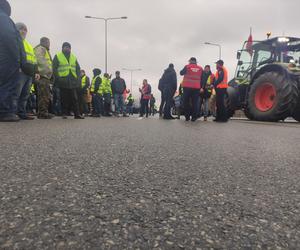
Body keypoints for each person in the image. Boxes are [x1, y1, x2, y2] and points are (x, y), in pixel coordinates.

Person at [0, 0, 26, 122]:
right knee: (8, 84)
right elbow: (9, 37)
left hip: (4, 56)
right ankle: (5, 112)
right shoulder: (3, 17)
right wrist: (17, 58)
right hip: (7, 58)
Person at [15, 22, 40, 120]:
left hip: (29, 74)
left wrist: (36, 72)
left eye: (25, 30)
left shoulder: (29, 45)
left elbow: (34, 60)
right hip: (19, 72)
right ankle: (12, 112)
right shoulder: (15, 41)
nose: (24, 31)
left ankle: (21, 112)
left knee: (25, 94)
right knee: (16, 93)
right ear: (16, 29)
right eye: (21, 29)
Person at [52, 42, 84, 119]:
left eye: (68, 47)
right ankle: (64, 113)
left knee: (74, 98)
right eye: (65, 47)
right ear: (62, 48)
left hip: (72, 80)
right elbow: (54, 68)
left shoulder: (73, 57)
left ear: (70, 48)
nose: (67, 48)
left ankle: (77, 114)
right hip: (63, 80)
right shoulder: (58, 56)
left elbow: (77, 68)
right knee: (64, 98)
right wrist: (58, 78)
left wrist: (77, 78)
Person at [34, 37, 54, 119]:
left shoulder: (44, 50)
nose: (49, 44)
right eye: (48, 42)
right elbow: (40, 60)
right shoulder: (41, 49)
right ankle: (42, 113)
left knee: (44, 94)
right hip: (43, 75)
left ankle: (42, 111)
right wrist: (49, 71)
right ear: (44, 42)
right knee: (44, 95)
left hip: (45, 75)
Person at [180, 57, 203, 122]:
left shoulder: (187, 66)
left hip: (187, 87)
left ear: (190, 61)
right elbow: (203, 78)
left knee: (186, 102)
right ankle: (194, 117)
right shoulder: (200, 68)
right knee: (195, 103)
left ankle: (187, 117)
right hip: (196, 87)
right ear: (196, 61)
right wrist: (201, 87)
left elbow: (181, 73)